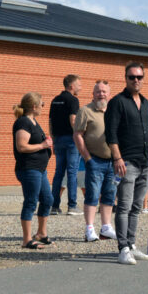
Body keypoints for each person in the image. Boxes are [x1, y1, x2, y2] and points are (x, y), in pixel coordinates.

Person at [106, 62, 148, 265]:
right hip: (126, 162)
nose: (136, 80)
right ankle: (123, 248)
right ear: (125, 78)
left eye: (139, 77)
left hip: (145, 162)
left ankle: (132, 244)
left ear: (143, 78)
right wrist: (117, 158)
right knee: (123, 206)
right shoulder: (117, 102)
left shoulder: (146, 103)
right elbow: (111, 133)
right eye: (132, 77)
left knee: (136, 207)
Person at [73, 80, 117, 243]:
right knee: (92, 194)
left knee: (109, 194)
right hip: (94, 160)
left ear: (109, 94)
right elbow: (78, 135)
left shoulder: (113, 111)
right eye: (98, 91)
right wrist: (87, 158)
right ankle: (89, 228)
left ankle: (106, 228)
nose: (101, 94)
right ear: (93, 94)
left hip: (112, 161)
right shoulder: (85, 111)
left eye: (104, 91)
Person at [12, 92, 54, 248]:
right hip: (29, 168)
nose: (43, 107)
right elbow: (21, 146)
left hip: (40, 169)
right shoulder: (23, 122)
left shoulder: (33, 121)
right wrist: (43, 146)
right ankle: (27, 240)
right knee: (31, 201)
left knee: (48, 199)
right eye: (42, 104)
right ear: (34, 106)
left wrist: (46, 144)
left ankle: (41, 234)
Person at [50, 74, 82, 215]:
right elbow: (73, 120)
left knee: (58, 173)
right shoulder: (73, 100)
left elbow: (50, 121)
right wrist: (79, 137)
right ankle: (72, 206)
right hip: (71, 140)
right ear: (71, 86)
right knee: (72, 173)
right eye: (78, 85)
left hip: (58, 139)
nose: (80, 87)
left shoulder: (55, 100)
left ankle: (54, 206)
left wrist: (53, 138)